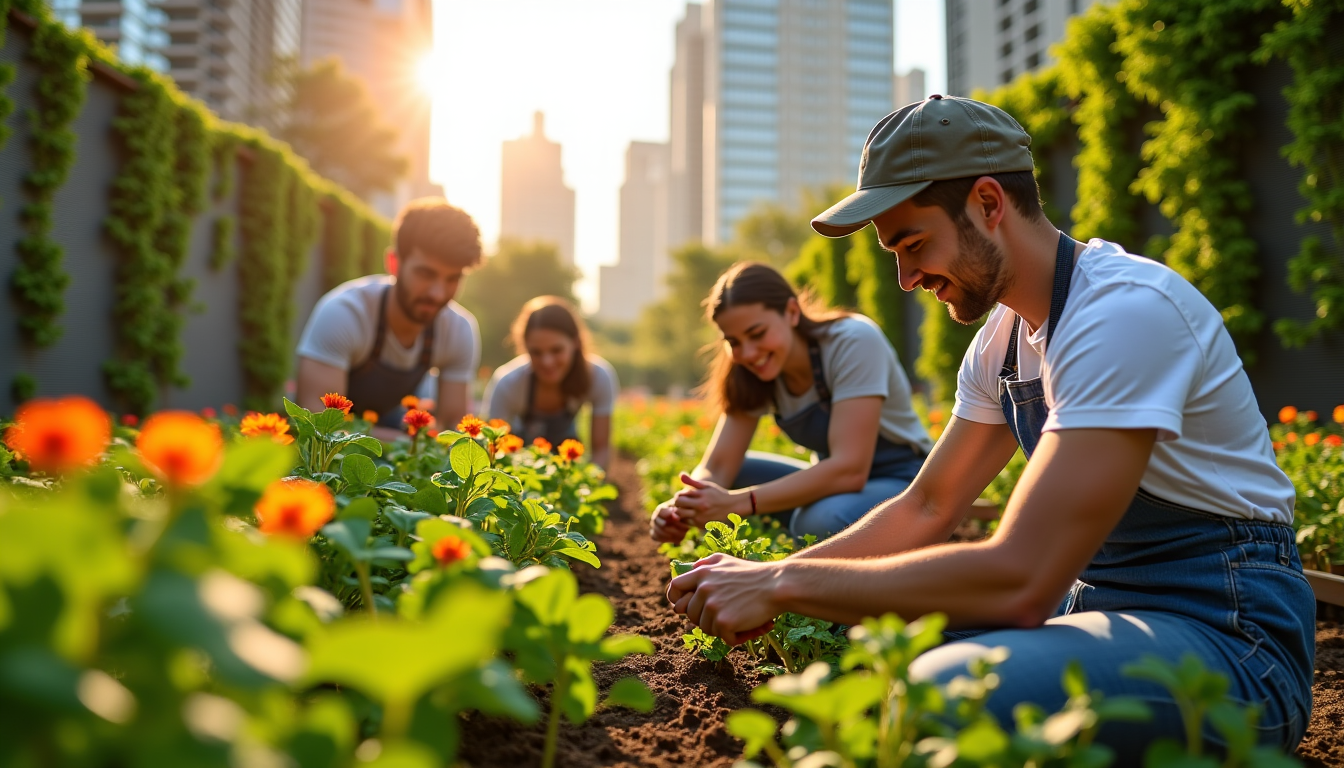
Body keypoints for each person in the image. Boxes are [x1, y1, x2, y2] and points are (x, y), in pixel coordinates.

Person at [665, 96, 1315, 759]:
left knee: (939, 693)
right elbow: (928, 503)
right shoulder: (1001, 343)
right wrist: (774, 576)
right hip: (1103, 603)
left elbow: (1022, 578)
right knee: (885, 655)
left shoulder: (1124, 314)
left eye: (913, 243)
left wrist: (780, 584)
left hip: (1230, 635)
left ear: (987, 203)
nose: (906, 276)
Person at [650, 262, 932, 543]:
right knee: (737, 474)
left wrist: (737, 504)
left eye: (757, 334)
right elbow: (720, 465)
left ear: (792, 312)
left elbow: (850, 470)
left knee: (819, 521)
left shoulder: (852, 341)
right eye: (733, 341)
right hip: (837, 486)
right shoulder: (749, 371)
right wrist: (685, 507)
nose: (748, 353)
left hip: (904, 480)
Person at [296, 198, 482, 441]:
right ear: (394, 263)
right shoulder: (344, 314)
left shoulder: (458, 330)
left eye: (452, 279)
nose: (438, 293)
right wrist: (406, 444)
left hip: (390, 430)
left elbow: (452, 431)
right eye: (426, 274)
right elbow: (317, 427)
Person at [484, 297, 617, 469]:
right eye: (536, 352)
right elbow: (493, 451)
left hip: (565, 461)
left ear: (575, 342)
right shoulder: (508, 383)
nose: (547, 362)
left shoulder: (598, 377)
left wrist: (587, 488)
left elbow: (601, 449)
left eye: (557, 350)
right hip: (518, 462)